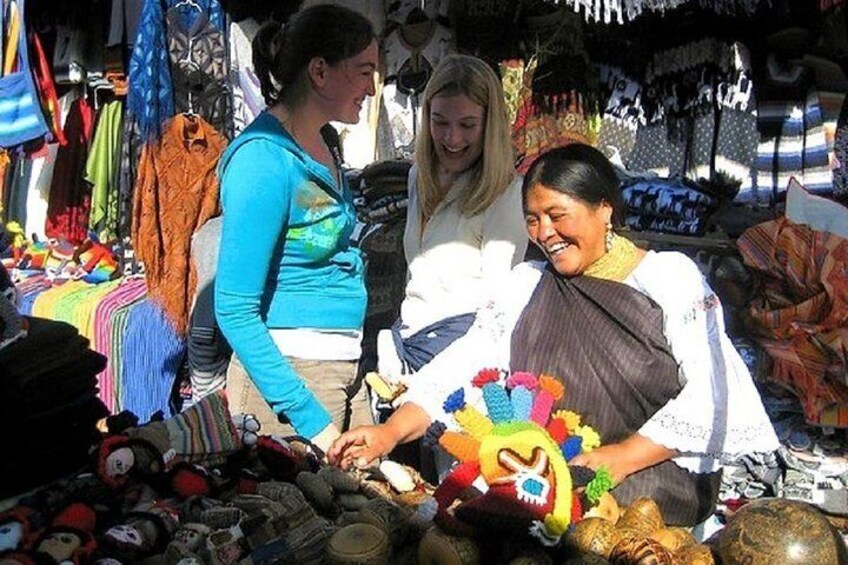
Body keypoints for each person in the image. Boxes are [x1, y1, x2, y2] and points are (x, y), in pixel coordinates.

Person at [330, 144, 779, 526]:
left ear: (604, 209)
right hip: (541, 502)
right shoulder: (526, 284)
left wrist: (619, 458)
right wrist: (389, 432)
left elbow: (716, 394)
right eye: (532, 219)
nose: (544, 233)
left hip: (646, 511)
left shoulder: (668, 279)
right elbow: (463, 365)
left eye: (557, 215)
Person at [215, 4, 379, 452]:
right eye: (363, 72)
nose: (371, 87)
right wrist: (311, 420)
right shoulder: (262, 160)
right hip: (291, 386)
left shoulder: (324, 142)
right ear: (320, 71)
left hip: (339, 369)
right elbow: (233, 308)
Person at [377, 54, 528, 381]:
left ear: (489, 125)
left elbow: (498, 307)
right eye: (440, 122)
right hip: (406, 351)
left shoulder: (507, 194)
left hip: (459, 365)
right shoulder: (418, 176)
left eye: (467, 125)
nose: (452, 138)